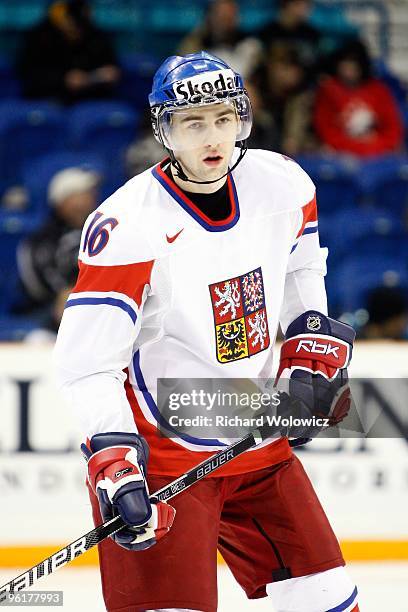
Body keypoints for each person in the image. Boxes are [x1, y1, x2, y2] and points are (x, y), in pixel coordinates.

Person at [54, 52, 359, 611]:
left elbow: (300, 269)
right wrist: (115, 464)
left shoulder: (282, 182)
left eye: (224, 118)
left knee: (329, 600)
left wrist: (308, 351)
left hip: (256, 438)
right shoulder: (127, 226)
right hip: (164, 451)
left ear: (242, 118)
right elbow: (86, 362)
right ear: (164, 129)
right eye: (192, 123)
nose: (212, 137)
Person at [16, 166, 100, 322]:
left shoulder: (103, 231)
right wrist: (67, 293)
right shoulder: (41, 242)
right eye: (81, 195)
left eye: (90, 194)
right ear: (62, 201)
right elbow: (37, 288)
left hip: (95, 307)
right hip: (46, 312)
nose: (89, 199)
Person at [16, 0, 120, 104]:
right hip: (47, 98)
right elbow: (28, 73)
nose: (72, 27)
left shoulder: (96, 36)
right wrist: (63, 79)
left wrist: (100, 76)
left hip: (91, 98)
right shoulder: (39, 37)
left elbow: (112, 68)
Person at [313, 39, 404, 157]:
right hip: (340, 155)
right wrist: (355, 147)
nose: (349, 66)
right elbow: (326, 130)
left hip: (377, 153)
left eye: (353, 62)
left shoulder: (378, 90)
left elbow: (392, 129)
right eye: (345, 61)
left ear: (362, 64)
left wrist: (376, 146)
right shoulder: (328, 90)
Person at [178, 0, 260, 77]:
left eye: (229, 18)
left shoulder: (251, 46)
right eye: (221, 17)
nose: (225, 24)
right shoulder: (194, 47)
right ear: (209, 18)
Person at [257, 0, 323, 76]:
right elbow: (262, 62)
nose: (304, 9)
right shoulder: (267, 32)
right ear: (286, 5)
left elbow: (317, 64)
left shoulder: (313, 34)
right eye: (298, 4)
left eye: (307, 5)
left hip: (304, 81)